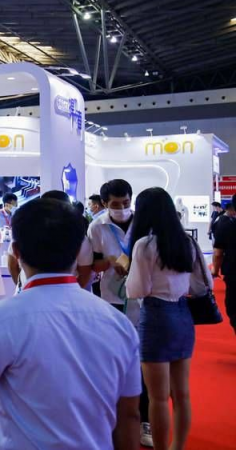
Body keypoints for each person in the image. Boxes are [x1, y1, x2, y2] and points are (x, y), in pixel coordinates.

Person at [0, 199, 141, 450]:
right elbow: (129, 415)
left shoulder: (3, 318)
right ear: (77, 252)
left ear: (17, 252)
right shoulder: (119, 324)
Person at [126, 187, 212, 450]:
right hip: (183, 314)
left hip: (155, 316)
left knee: (158, 397)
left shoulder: (144, 245)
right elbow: (202, 285)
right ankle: (177, 446)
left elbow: (136, 290)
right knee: (182, 394)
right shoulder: (187, 242)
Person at [88, 178, 152, 446]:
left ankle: (145, 420)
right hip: (112, 299)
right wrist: (110, 262)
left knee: (144, 362)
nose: (122, 208)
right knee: (113, 360)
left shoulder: (145, 222)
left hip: (144, 298)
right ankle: (112, 417)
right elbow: (92, 265)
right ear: (104, 204)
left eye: (126, 202)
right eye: (116, 204)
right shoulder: (97, 227)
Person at [213, 196, 236, 333]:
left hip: (233, 271)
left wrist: (215, 270)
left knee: (233, 307)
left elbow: (218, 253)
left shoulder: (226, 225)